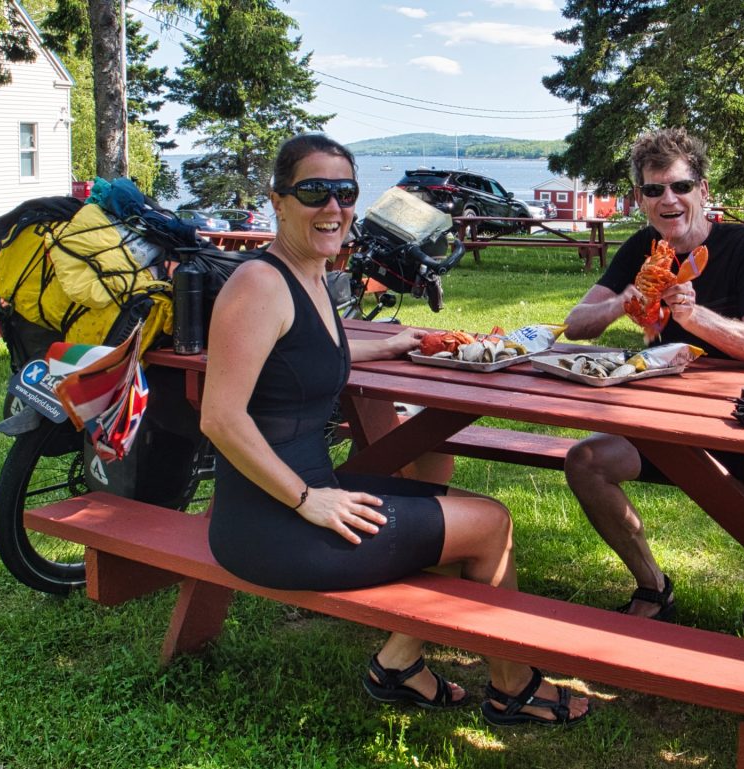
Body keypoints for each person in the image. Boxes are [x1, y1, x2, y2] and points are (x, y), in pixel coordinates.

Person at [200, 133, 589, 726]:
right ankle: (513, 688)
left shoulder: (307, 274)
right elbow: (220, 417)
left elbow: (300, 349)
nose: (333, 206)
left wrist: (393, 346)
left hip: (299, 500)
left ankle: (401, 666)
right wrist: (308, 500)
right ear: (278, 201)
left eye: (345, 192)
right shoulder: (258, 283)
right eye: (313, 191)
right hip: (272, 525)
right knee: (490, 525)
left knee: (451, 495)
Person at [562, 127, 744, 642]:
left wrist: (692, 316)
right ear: (641, 200)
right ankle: (652, 585)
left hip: (742, 419)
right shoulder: (643, 248)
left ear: (703, 191)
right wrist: (626, 299)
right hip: (665, 424)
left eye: (680, 186)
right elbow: (575, 324)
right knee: (584, 462)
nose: (669, 199)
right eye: (654, 190)